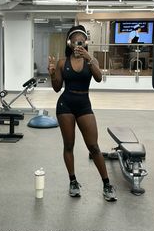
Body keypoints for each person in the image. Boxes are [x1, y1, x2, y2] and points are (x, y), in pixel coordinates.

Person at [48, 25, 117, 202]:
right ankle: (73, 182)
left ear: (85, 42)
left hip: (84, 104)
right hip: (65, 104)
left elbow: (99, 78)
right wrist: (53, 73)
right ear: (69, 43)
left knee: (93, 146)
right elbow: (57, 88)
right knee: (68, 145)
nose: (78, 42)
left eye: (81, 40)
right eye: (75, 40)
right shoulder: (62, 62)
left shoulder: (90, 60)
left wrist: (89, 58)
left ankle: (107, 184)